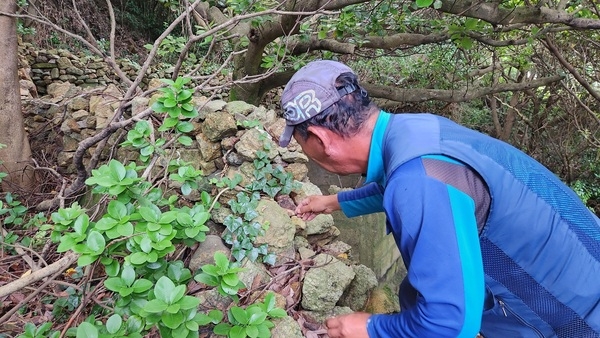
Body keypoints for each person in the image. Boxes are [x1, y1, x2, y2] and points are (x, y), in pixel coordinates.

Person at [278, 60, 600, 338]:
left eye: (300, 143)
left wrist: (372, 328)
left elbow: (451, 324)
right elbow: (398, 184)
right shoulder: (416, 132)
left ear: (320, 139)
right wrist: (334, 202)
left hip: (575, 321)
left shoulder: (418, 181)